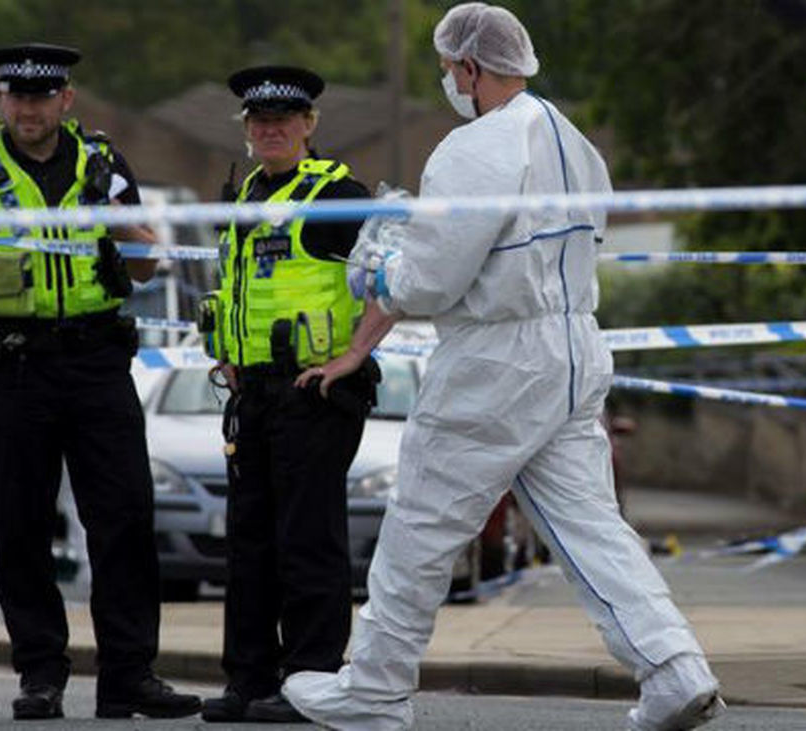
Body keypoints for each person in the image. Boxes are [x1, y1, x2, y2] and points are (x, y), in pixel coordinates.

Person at [282, 5, 724, 730]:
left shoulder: (472, 147)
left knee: (420, 524)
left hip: (497, 357)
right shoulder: (572, 139)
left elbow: (433, 280)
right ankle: (675, 670)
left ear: (470, 68)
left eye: (448, 69)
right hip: (574, 347)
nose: (448, 82)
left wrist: (381, 267)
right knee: (592, 529)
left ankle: (375, 689)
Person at [0, 43, 201, 721]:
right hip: (12, 367)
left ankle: (128, 675)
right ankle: (40, 674)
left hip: (96, 362)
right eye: (18, 97)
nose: (29, 110)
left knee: (125, 518)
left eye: (42, 98)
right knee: (19, 525)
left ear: (65, 100)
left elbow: (145, 267)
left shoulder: (102, 164)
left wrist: (125, 224)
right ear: (1, 100)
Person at [196, 66, 377, 724]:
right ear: (246, 128)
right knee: (249, 544)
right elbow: (237, 289)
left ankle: (310, 681)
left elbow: (395, 276)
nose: (271, 129)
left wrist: (353, 354)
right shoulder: (244, 196)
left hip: (314, 394)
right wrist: (226, 350)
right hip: (253, 395)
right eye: (259, 120)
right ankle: (248, 680)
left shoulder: (337, 195)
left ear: (309, 124)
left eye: (284, 119)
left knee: (308, 541)